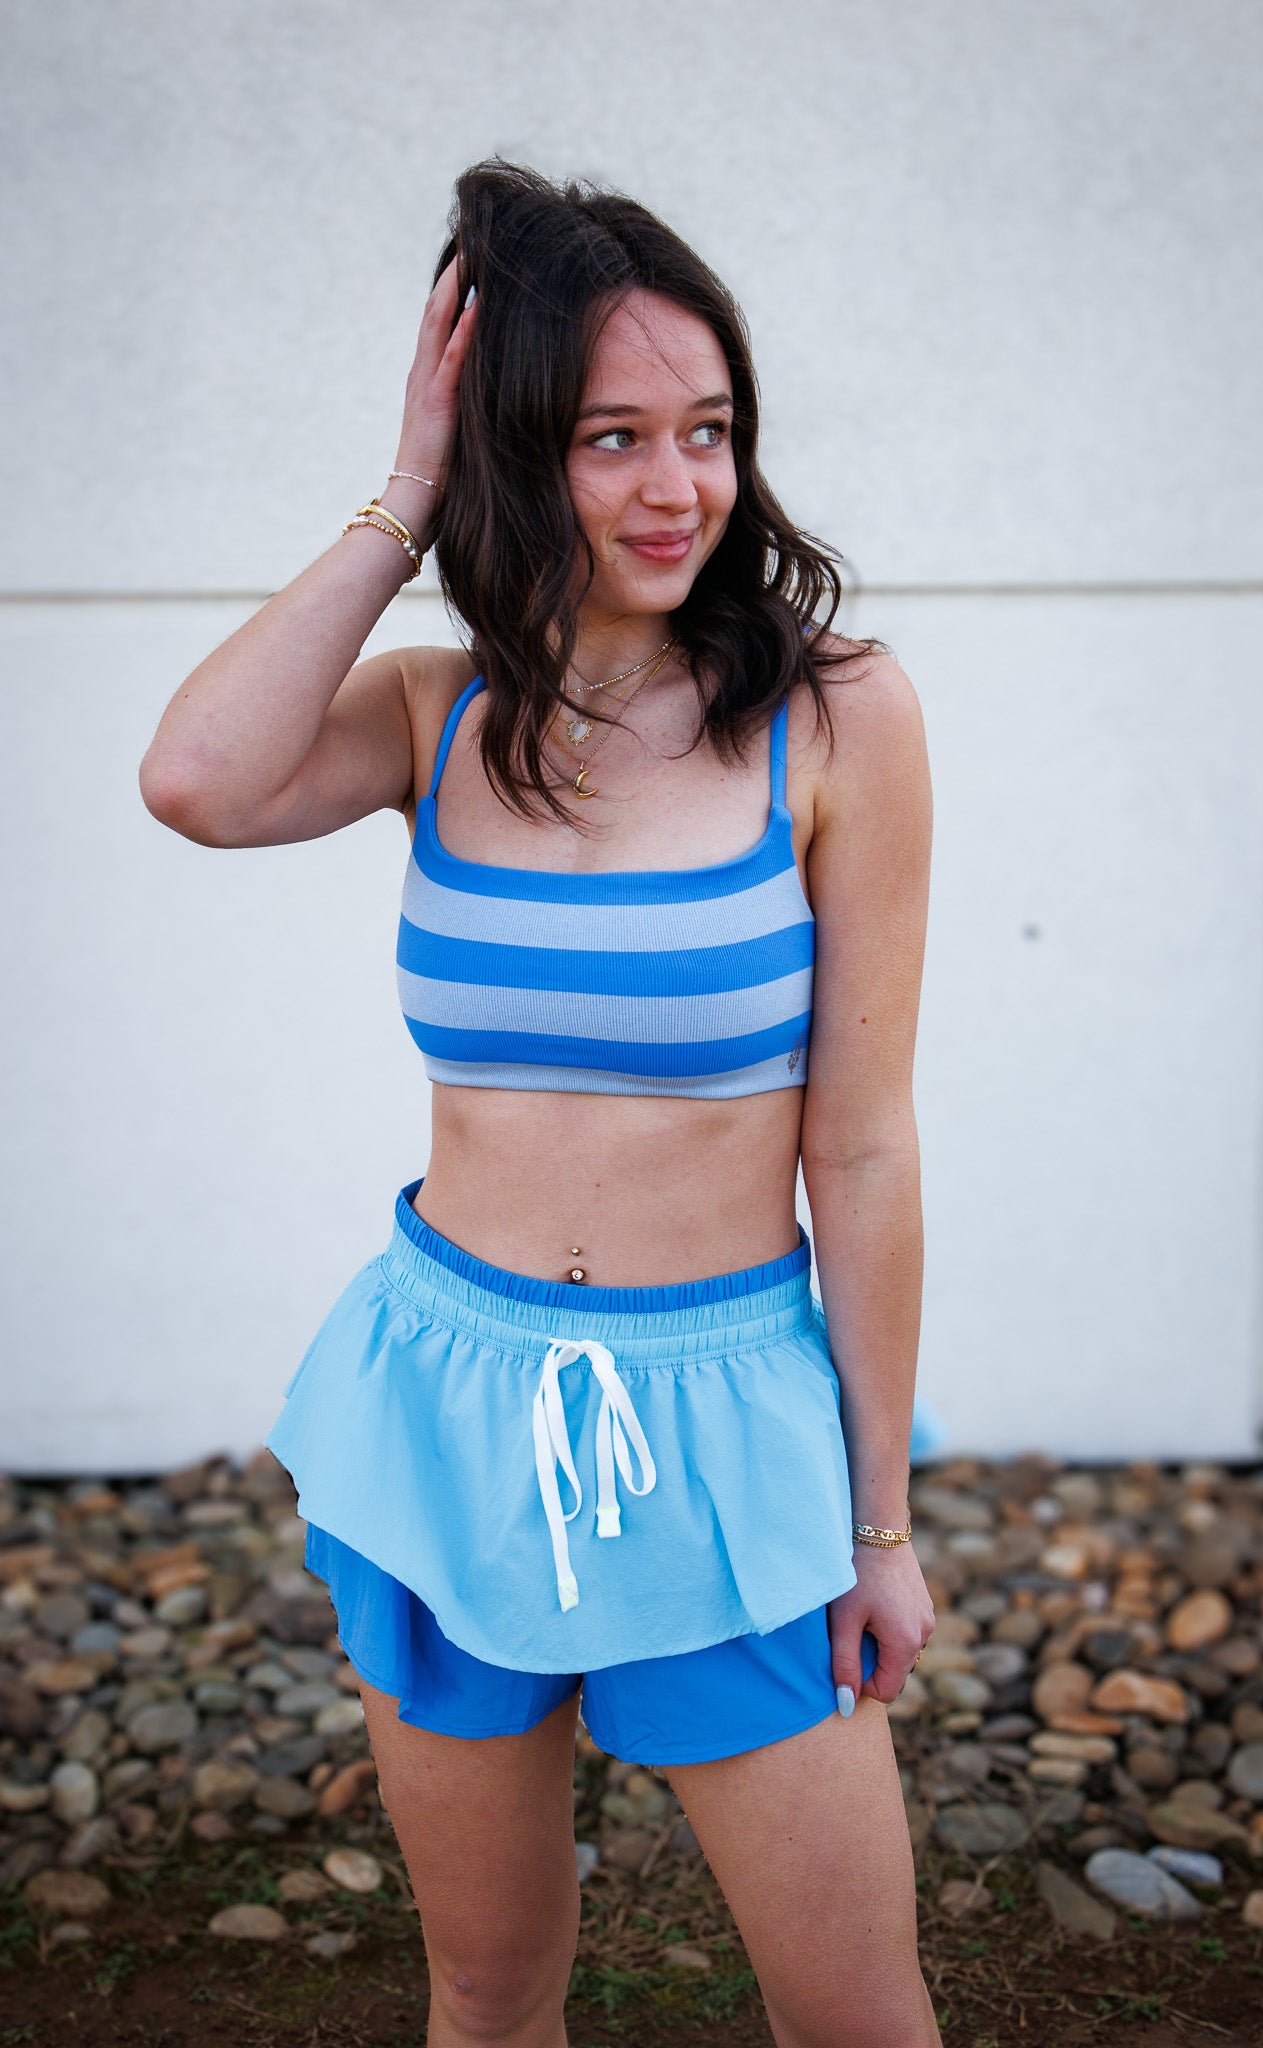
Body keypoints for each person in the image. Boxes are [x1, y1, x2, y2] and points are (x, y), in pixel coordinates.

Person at [140, 159, 940, 2048]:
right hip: (448, 1401)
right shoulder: (436, 711)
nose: (680, 489)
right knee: (488, 1994)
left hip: (729, 1427)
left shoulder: (836, 717)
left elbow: (867, 1143)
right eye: (609, 439)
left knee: (854, 2010)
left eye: (709, 431)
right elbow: (194, 778)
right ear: (516, 456)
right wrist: (402, 494)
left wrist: (881, 1528)